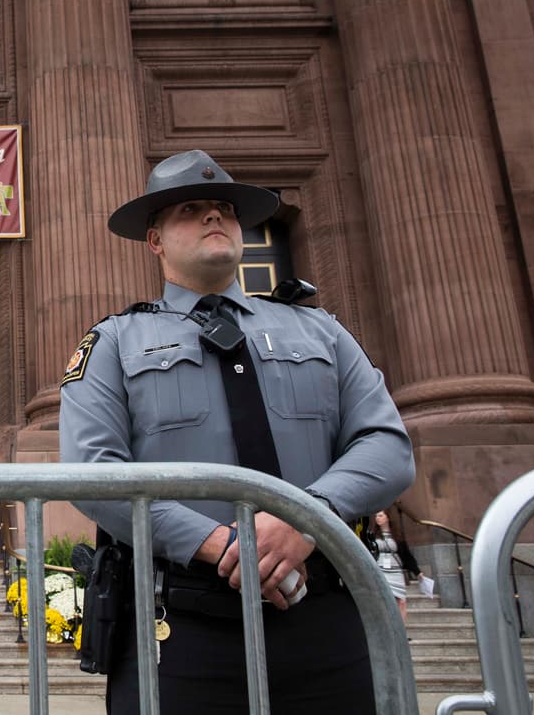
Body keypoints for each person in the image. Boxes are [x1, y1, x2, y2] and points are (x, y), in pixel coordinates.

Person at [58, 149, 415, 714]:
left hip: (325, 618)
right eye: (189, 209)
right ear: (154, 240)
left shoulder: (320, 330)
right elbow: (92, 473)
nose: (213, 216)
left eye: (223, 208)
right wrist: (224, 547)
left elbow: (387, 446)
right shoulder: (113, 343)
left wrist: (306, 518)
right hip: (183, 633)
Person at [365, 510, 408, 623]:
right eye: (376, 516)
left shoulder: (396, 535)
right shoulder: (373, 534)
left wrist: (417, 572)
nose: (377, 518)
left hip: (396, 570)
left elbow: (406, 554)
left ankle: (401, 629)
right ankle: (389, 626)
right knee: (385, 599)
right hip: (381, 570)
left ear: (387, 518)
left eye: (380, 515)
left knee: (401, 601)